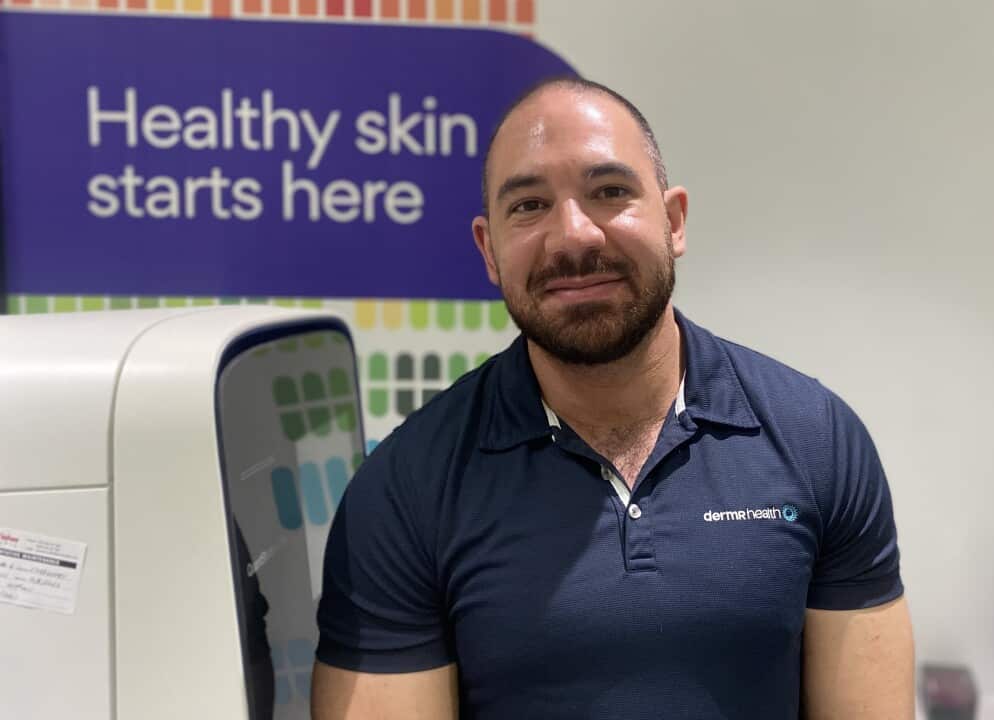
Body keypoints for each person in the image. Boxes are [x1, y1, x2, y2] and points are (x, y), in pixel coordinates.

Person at [311, 76, 914, 719]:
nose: (574, 236)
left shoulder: (817, 439)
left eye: (609, 192)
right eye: (529, 205)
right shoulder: (404, 489)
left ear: (673, 221)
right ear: (489, 251)